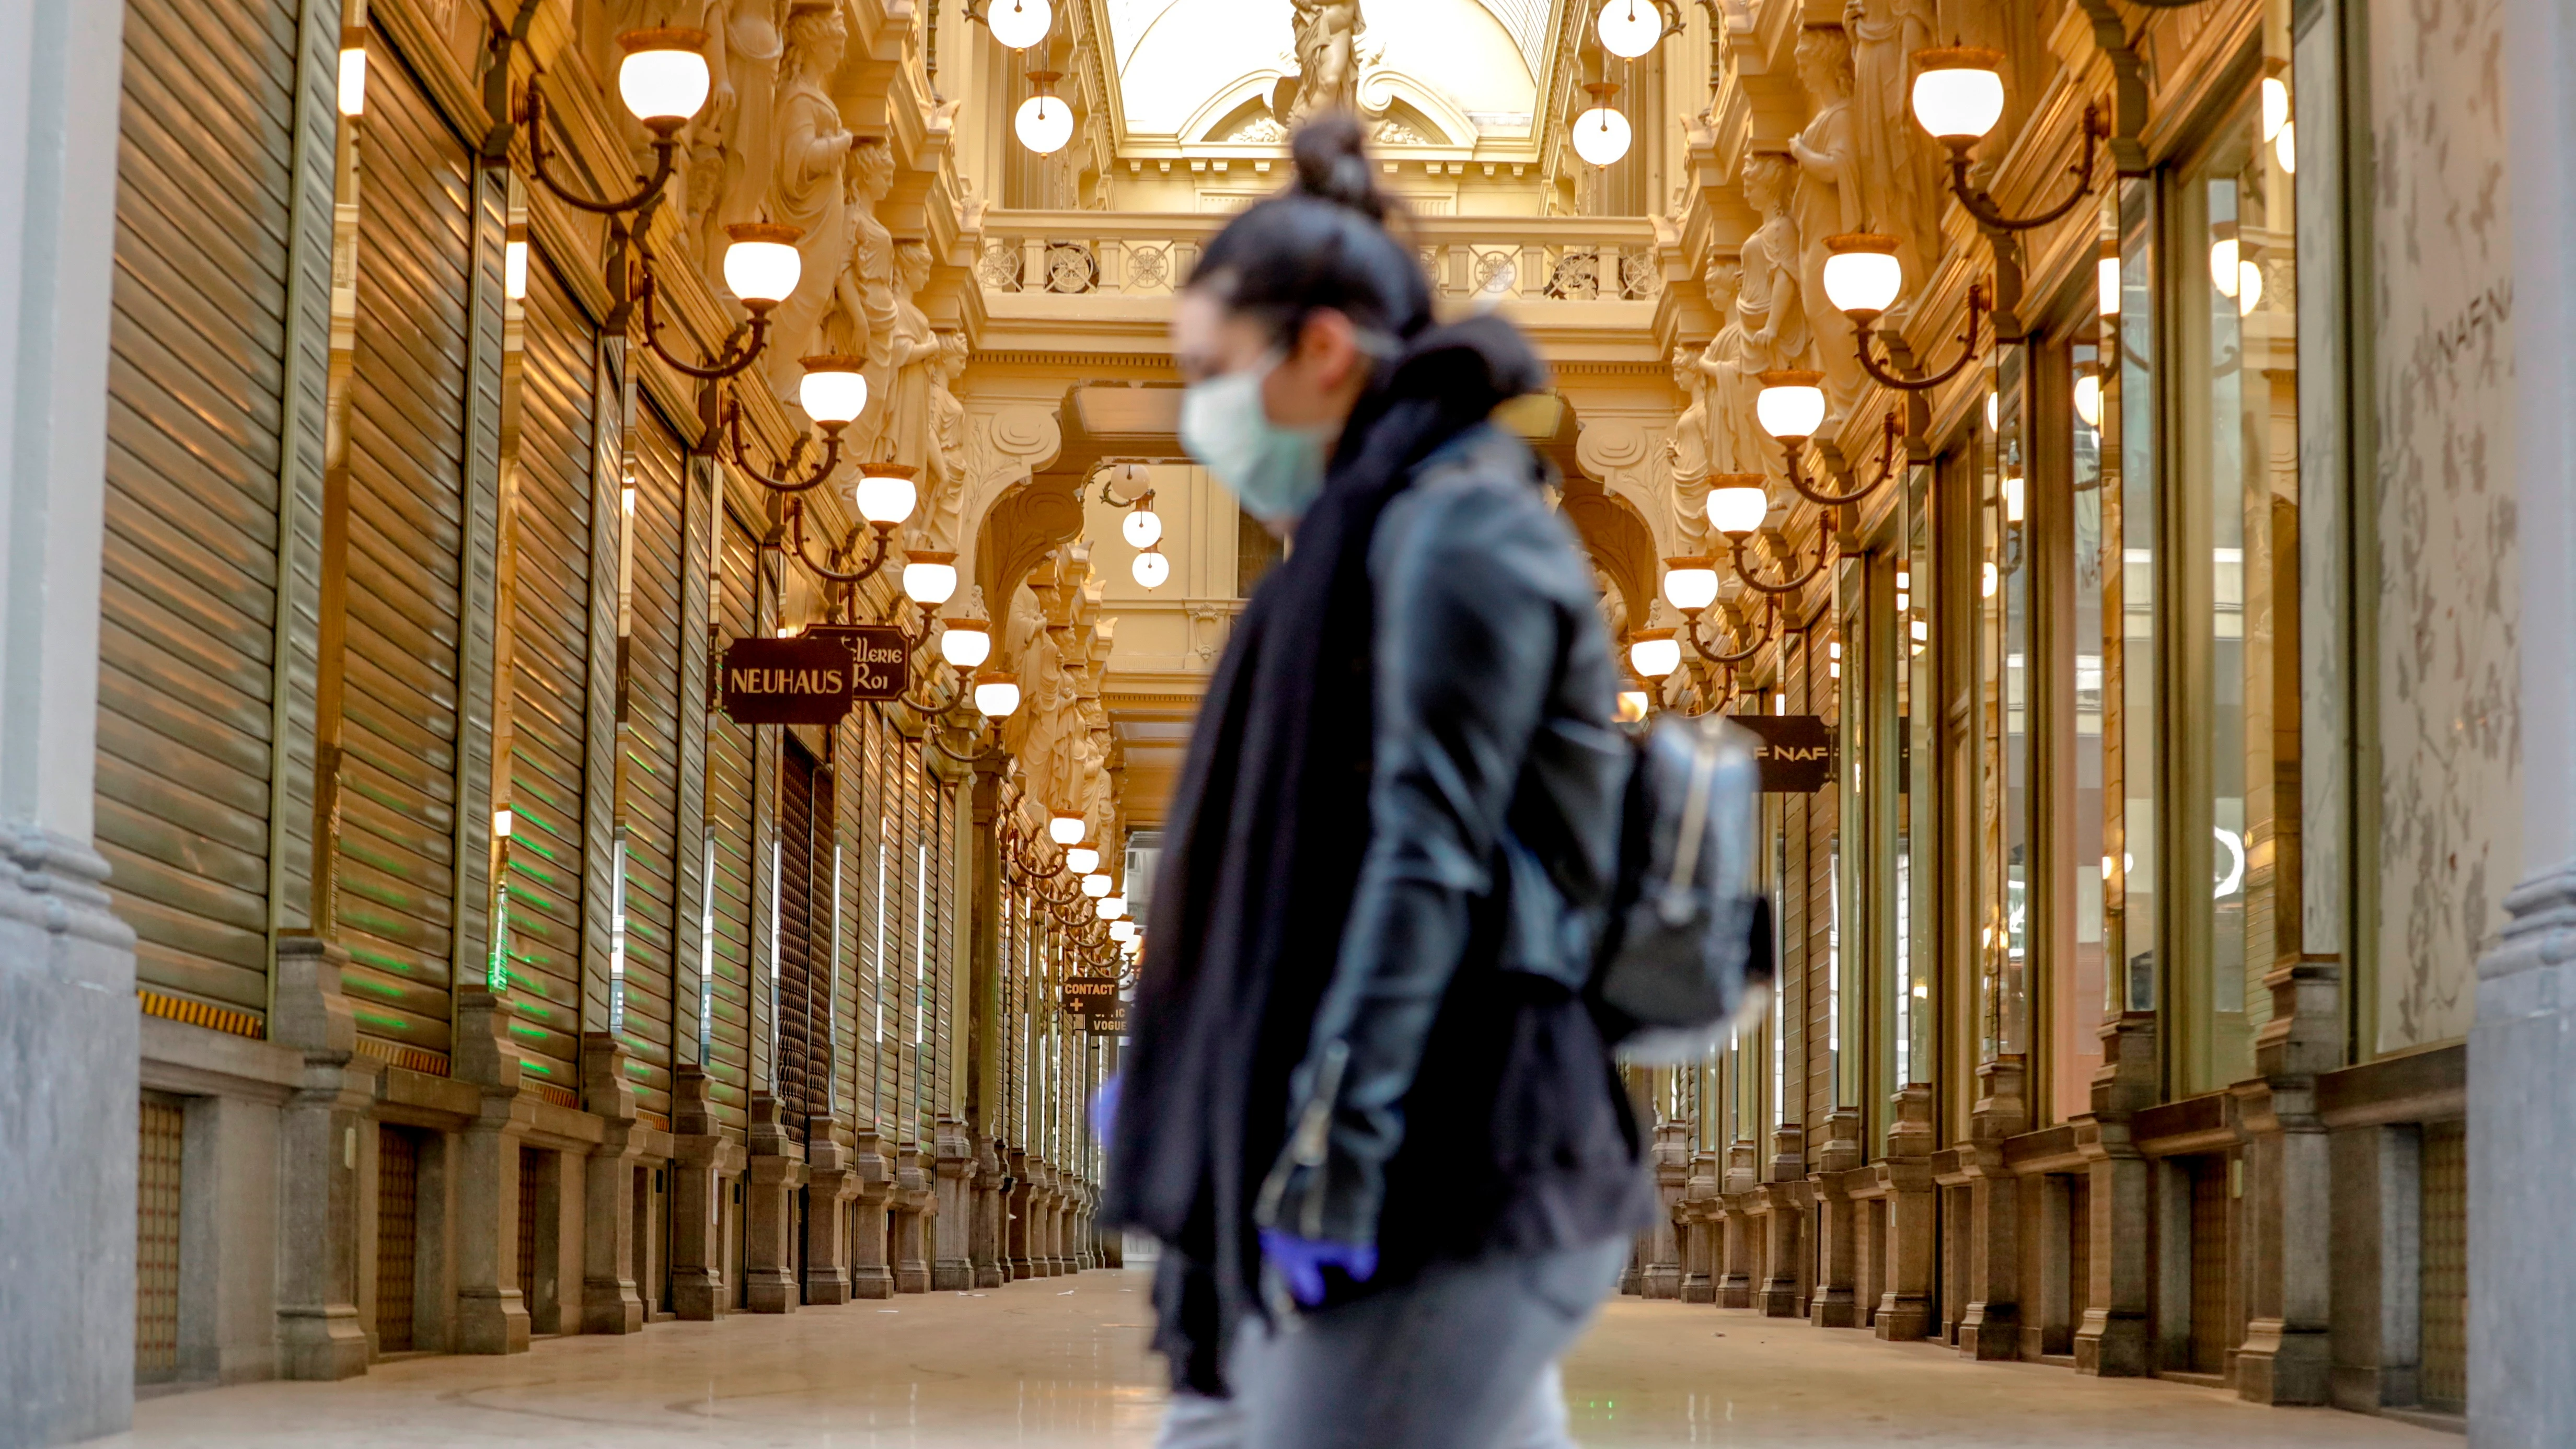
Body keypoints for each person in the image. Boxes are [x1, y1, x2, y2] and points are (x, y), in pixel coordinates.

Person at [1100, 114, 1651, 1449]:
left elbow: (1427, 860)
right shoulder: (1371, 540)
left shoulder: (1456, 528)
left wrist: (1331, 1155)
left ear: (1324, 349)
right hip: (1425, 1162)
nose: (1199, 417)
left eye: (1213, 372)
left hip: (1450, 1164)